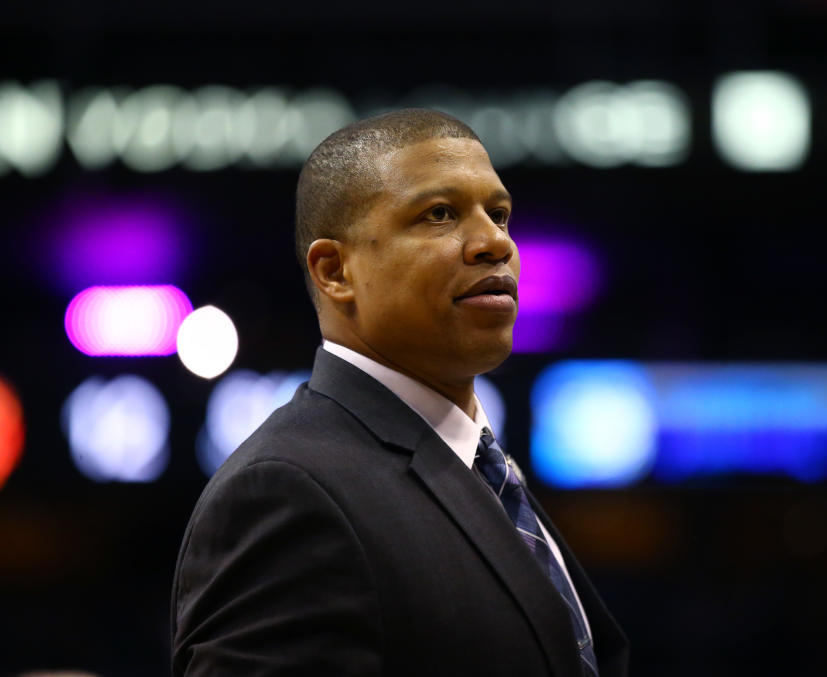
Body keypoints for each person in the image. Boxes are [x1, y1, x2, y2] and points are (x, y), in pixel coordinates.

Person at [171, 109, 629, 676]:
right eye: (440, 214)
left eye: (501, 214)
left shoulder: (483, 468)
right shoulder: (286, 490)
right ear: (335, 270)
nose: (494, 242)